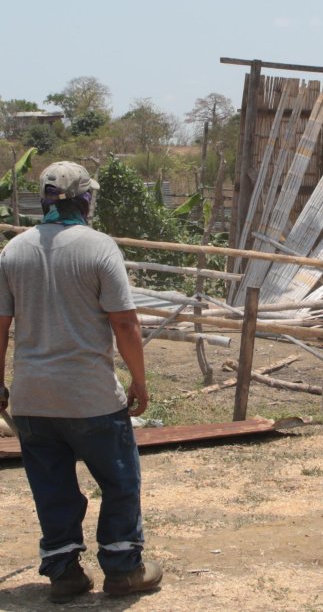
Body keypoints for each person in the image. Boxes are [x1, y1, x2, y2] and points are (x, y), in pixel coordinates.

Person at [0, 161, 161, 603]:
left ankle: (64, 573)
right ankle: (124, 569)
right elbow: (125, 324)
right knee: (119, 481)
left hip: (34, 399)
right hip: (90, 398)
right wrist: (139, 382)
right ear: (86, 198)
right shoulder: (98, 248)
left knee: (52, 486)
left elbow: (0, 325)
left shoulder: (14, 252)